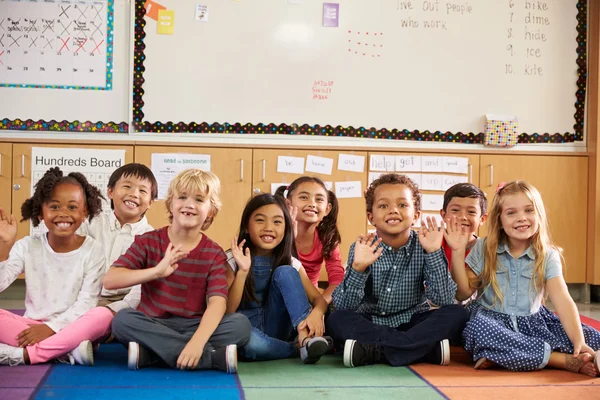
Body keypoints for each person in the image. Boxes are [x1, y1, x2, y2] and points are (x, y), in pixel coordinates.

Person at [104, 169, 251, 373]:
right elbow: (110, 280)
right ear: (171, 204)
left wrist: (197, 342)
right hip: (153, 322)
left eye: (199, 200)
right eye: (182, 197)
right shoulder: (148, 241)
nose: (189, 204)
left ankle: (152, 355)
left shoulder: (214, 253)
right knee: (122, 321)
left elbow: (218, 302)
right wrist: (155, 271)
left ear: (211, 211)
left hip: (195, 326)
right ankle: (212, 359)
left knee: (241, 325)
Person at [447, 180, 600, 376]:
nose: (521, 218)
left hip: (533, 324)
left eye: (529, 210)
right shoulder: (484, 248)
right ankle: (560, 360)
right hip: (492, 322)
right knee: (477, 330)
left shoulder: (547, 255)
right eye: (511, 213)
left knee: (591, 336)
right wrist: (458, 254)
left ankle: (505, 356)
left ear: (539, 215)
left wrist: (579, 341)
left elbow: (562, 300)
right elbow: (462, 293)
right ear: (499, 220)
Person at [326, 173, 468, 368]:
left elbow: (443, 299)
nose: (393, 210)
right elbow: (344, 306)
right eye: (383, 206)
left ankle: (375, 350)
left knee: (457, 313)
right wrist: (358, 268)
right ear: (371, 217)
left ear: (416, 215)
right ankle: (420, 349)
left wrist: (434, 252)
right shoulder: (362, 247)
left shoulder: (426, 244)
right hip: (370, 321)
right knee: (336, 319)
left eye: (402, 205)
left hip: (413, 321)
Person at [0, 167, 106, 366]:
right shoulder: (26, 246)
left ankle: (25, 355)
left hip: (75, 326)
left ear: (85, 212)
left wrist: (51, 329)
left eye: (72, 207)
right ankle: (67, 350)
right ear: (41, 212)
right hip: (29, 327)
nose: (63, 214)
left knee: (103, 315)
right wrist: (4, 247)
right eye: (54, 207)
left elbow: (87, 303)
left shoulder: (94, 250)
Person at [226, 193, 329, 363]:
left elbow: (319, 300)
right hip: (248, 332)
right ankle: (296, 349)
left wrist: (317, 313)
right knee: (248, 344)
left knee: (285, 271)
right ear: (246, 226)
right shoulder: (232, 259)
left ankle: (304, 339)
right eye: (260, 220)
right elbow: (228, 310)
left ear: (286, 228)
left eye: (277, 222)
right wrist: (243, 272)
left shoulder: (291, 262)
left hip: (278, 326)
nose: (268, 227)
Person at [275, 177, 344, 304]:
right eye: (304, 197)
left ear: (327, 209)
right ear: (287, 203)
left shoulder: (327, 238)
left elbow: (337, 279)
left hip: (311, 298)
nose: (312, 203)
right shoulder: (276, 233)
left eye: (319, 199)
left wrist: (320, 305)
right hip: (278, 297)